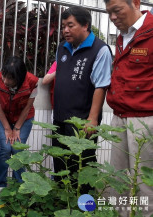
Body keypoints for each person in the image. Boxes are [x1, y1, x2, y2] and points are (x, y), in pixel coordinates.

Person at [52, 6, 112, 193]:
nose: (65, 30)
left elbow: (101, 86)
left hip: (82, 121)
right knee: (60, 163)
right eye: (63, 26)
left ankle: (84, 206)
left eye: (70, 25)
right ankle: (63, 204)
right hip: (60, 117)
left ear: (86, 25)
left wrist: (92, 119)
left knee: (81, 166)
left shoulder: (100, 50)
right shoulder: (62, 47)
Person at [104, 0, 153, 216]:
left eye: (117, 11)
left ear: (134, 3)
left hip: (144, 119)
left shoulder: (150, 31)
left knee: (144, 181)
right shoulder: (123, 36)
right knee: (118, 177)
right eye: (109, 13)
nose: (113, 17)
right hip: (120, 116)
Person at [0, 56, 39, 187]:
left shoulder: (32, 82)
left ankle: (20, 185)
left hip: (24, 117)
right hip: (1, 116)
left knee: (17, 149)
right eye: (4, 75)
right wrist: (7, 128)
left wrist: (16, 128)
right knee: (6, 148)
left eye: (10, 78)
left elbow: (28, 107)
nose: (5, 81)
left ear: (20, 77)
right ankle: (0, 185)